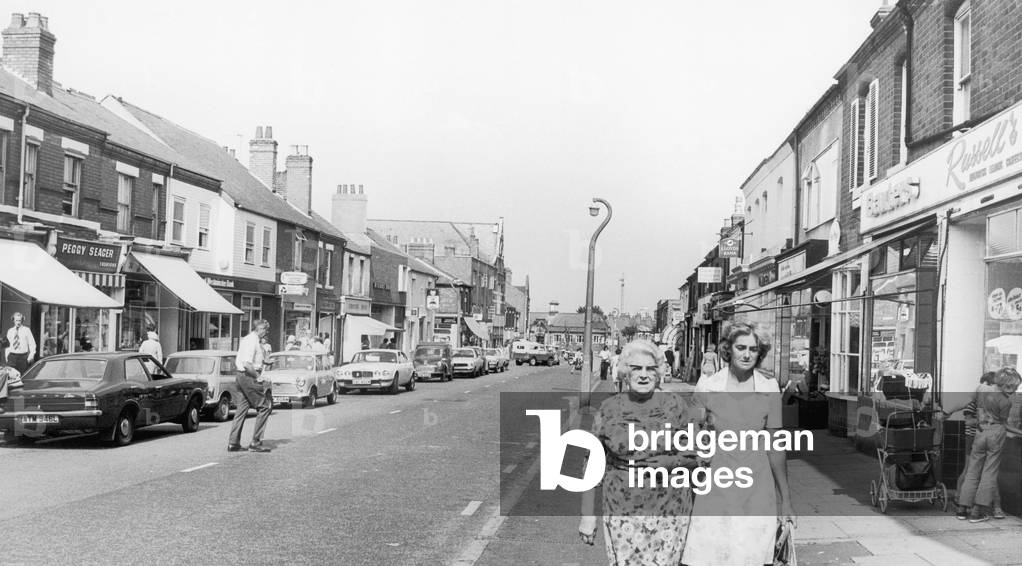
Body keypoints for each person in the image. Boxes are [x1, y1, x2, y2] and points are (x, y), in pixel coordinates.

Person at [683, 321, 795, 566]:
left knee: (750, 555)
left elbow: (776, 446)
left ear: (760, 353)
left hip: (757, 486)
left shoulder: (769, 387)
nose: (746, 354)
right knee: (711, 556)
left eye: (753, 349)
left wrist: (785, 500)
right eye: (740, 347)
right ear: (728, 349)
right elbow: (691, 433)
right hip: (716, 484)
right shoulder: (708, 386)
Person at [578, 339, 697, 564]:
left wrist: (671, 463)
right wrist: (587, 516)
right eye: (636, 368)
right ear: (625, 372)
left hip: (671, 510)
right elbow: (591, 465)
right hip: (622, 510)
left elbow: (699, 455)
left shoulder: (676, 405)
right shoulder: (609, 408)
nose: (643, 375)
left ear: (659, 373)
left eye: (650, 369)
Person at [948, 367, 1022, 522]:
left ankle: (962, 510)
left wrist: (945, 412)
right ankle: (976, 512)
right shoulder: (1006, 402)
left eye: (1016, 387)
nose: (1014, 390)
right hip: (996, 434)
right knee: (989, 473)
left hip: (980, 433)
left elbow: (963, 403)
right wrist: (1019, 432)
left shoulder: (981, 389)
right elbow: (1005, 425)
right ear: (1003, 383)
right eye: (1012, 386)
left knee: (972, 471)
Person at [228, 319, 274, 453]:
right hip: (248, 376)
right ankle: (256, 442)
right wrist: (257, 377)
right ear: (260, 329)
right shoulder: (252, 341)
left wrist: (264, 362)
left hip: (241, 376)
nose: (266, 333)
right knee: (264, 407)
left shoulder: (249, 340)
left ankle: (233, 443)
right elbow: (247, 364)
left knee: (241, 409)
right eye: (266, 330)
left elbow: (251, 361)